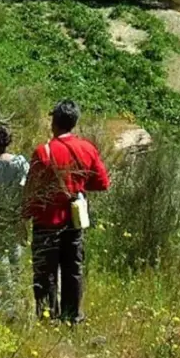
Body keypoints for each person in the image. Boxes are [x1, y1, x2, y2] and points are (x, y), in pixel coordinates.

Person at [22, 100, 109, 323]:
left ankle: (48, 317)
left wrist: (24, 215)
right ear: (74, 122)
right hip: (74, 220)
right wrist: (77, 186)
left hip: (46, 221)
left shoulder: (44, 152)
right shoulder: (87, 148)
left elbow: (32, 190)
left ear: (54, 122)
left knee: (45, 273)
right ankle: (72, 317)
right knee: (73, 269)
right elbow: (102, 183)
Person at [0, 123, 31, 265]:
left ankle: (4, 284)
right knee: (15, 245)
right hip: (15, 209)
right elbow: (25, 188)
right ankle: (15, 280)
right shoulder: (20, 162)